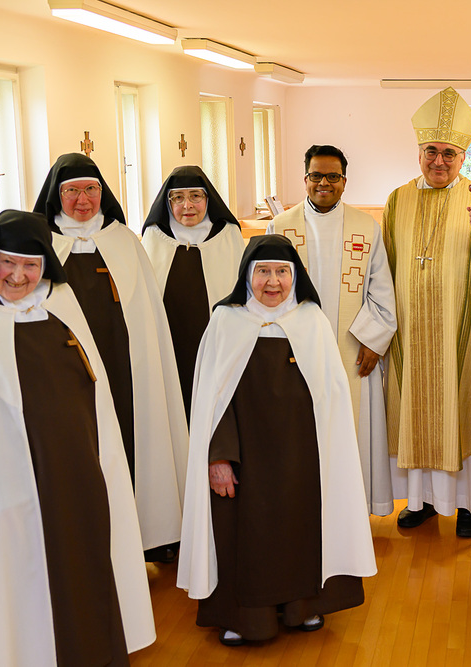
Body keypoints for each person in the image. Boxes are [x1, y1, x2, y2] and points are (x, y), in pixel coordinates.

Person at [0, 210, 155, 665]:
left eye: (31, 265)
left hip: (73, 478)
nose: (19, 276)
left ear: (46, 266)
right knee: (8, 581)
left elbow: (92, 395)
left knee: (79, 567)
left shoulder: (61, 305)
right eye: (8, 263)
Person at [177, 235, 377, 646]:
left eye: (282, 272)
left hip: (302, 458)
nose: (273, 282)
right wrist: (219, 458)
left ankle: (301, 607)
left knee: (300, 531)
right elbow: (211, 401)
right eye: (263, 272)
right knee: (242, 536)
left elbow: (332, 399)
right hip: (243, 460)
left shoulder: (312, 321)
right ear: (247, 276)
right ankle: (243, 616)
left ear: (295, 276)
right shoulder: (226, 321)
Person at [383, 86, 471, 537]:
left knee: (462, 411)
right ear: (419, 151)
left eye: (449, 153)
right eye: (431, 151)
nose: (439, 161)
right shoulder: (397, 200)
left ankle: (468, 505)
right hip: (410, 332)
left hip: (462, 333)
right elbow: (382, 266)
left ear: (463, 157)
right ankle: (422, 501)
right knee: (417, 413)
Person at [34, 153, 187, 562]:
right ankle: (82, 543)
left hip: (125, 369)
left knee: (132, 438)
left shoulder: (124, 241)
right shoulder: (41, 245)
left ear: (103, 193)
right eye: (71, 191)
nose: (82, 200)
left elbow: (148, 315)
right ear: (56, 195)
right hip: (66, 372)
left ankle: (145, 534)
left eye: (91, 189)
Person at [268, 144, 397, 516]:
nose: (324, 183)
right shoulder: (280, 228)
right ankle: (300, 511)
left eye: (333, 176)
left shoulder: (365, 228)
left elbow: (382, 291)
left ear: (345, 182)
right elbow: (264, 291)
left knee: (349, 433)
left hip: (352, 350)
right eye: (316, 176)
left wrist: (374, 342)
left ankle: (350, 513)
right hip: (294, 352)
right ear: (305, 179)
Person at [142, 165, 246, 419]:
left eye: (195, 196)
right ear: (168, 203)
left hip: (218, 346)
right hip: (169, 346)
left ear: (208, 199)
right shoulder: (155, 238)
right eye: (178, 198)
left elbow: (244, 295)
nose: (187, 205)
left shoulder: (228, 235)